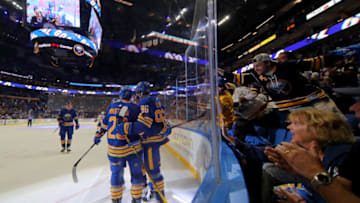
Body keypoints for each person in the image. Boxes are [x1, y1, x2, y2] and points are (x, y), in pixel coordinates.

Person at [223, 53, 344, 128]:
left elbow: (313, 62)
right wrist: (218, 71)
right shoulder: (256, 75)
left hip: (314, 100)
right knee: (315, 133)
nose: (256, 69)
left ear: (267, 63)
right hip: (293, 108)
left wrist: (336, 57)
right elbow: (236, 78)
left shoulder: (286, 66)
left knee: (337, 124)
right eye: (254, 67)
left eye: (258, 66)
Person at [116, 81, 171, 203]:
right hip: (154, 139)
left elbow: (144, 125)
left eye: (137, 93)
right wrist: (165, 127)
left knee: (153, 171)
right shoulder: (155, 100)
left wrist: (126, 128)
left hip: (150, 140)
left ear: (140, 92)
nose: (136, 96)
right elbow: (159, 120)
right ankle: (153, 191)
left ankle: (160, 197)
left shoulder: (145, 101)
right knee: (150, 169)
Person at [93, 87, 145, 203]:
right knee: (137, 174)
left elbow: (104, 125)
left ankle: (116, 199)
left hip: (114, 149)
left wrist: (98, 135)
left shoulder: (111, 107)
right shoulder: (134, 108)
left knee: (116, 174)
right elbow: (141, 128)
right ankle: (136, 199)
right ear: (131, 96)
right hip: (132, 148)